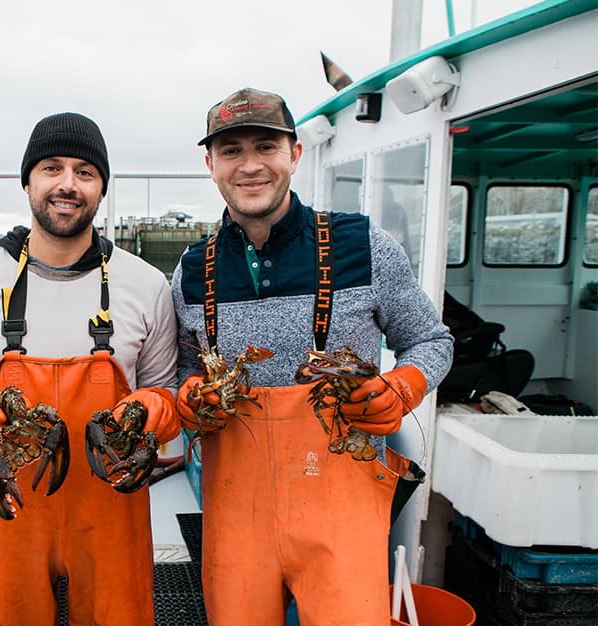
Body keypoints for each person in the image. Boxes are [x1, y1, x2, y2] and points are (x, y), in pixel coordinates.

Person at [172, 88, 453, 625]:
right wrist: (188, 398)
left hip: (342, 518)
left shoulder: (365, 245)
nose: (250, 165)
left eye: (266, 146)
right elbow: (184, 371)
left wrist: (401, 387)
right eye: (231, 150)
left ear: (294, 155)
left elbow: (431, 341)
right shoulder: (190, 271)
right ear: (211, 165)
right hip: (235, 523)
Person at [0, 111, 180, 626]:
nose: (68, 184)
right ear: (27, 181)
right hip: (10, 505)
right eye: (52, 168)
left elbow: (167, 391)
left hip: (111, 510)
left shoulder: (146, 285)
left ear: (102, 189)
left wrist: (155, 407)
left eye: (85, 172)